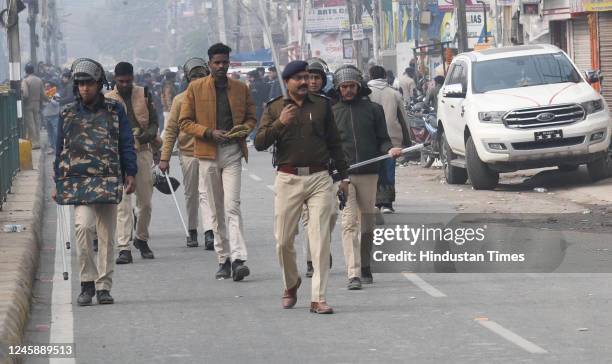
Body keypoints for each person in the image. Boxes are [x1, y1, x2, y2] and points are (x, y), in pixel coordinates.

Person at [254, 60, 350, 314]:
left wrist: (344, 177)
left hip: (320, 178)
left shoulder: (322, 106)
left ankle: (318, 297)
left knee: (320, 240)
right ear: (287, 82)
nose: (305, 82)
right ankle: (291, 283)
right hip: (288, 179)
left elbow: (335, 143)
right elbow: (259, 143)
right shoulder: (274, 108)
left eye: (307, 77)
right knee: (283, 241)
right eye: (298, 78)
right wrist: (280, 123)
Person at [52, 58, 137, 306]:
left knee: (107, 234)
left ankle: (103, 286)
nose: (84, 88)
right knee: (83, 227)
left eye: (89, 83)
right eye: (80, 84)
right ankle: (87, 282)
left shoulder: (114, 110)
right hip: (79, 182)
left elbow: (125, 142)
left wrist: (130, 172)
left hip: (108, 179)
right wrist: (57, 181)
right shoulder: (67, 113)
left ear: (99, 84)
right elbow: (60, 150)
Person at [178, 43, 256, 281]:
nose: (221, 66)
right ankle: (223, 259)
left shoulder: (241, 88)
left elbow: (252, 117)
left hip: (232, 151)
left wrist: (244, 129)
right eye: (217, 62)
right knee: (216, 209)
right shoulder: (195, 88)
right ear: (209, 63)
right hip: (207, 154)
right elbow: (184, 122)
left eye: (225, 62)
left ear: (229, 62)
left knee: (232, 206)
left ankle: (239, 259)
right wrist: (209, 132)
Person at [332, 65, 402, 289]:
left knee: (367, 225)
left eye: (352, 86)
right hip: (343, 176)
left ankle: (365, 265)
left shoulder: (374, 110)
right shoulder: (332, 113)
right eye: (344, 87)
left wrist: (390, 149)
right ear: (338, 89)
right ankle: (353, 273)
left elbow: (383, 139)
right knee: (348, 222)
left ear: (359, 86)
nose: (348, 90)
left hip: (370, 172)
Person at [106, 61, 159, 264]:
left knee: (145, 203)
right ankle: (124, 247)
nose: (125, 85)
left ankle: (141, 239)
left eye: (128, 81)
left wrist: (146, 135)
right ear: (115, 80)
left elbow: (154, 122)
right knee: (123, 204)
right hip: (118, 155)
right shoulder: (107, 99)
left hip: (142, 152)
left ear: (133, 78)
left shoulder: (144, 93)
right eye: (121, 81)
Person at [159, 58, 215, 249]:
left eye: (201, 76)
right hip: (188, 153)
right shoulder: (180, 100)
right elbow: (171, 130)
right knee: (191, 194)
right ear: (188, 79)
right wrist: (164, 158)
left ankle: (210, 232)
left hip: (209, 152)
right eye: (194, 77)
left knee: (207, 193)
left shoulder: (215, 97)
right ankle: (192, 230)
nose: (198, 80)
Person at [368, 65, 410, 214]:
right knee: (388, 170)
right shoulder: (393, 93)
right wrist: (407, 139)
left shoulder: (365, 93)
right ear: (385, 76)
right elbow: (403, 118)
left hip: (371, 139)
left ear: (370, 75)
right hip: (391, 139)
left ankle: (375, 202)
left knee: (374, 171)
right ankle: (387, 203)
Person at [21, 63, 49, 149]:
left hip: (28, 105)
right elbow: (43, 94)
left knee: (30, 124)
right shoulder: (39, 80)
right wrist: (48, 100)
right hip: (37, 104)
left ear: (26, 71)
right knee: (37, 123)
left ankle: (33, 143)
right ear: (33, 70)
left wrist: (21, 99)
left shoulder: (25, 81)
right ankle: (38, 141)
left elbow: (25, 94)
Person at [246, 69, 268, 142]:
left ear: (252, 77)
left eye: (248, 77)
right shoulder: (263, 83)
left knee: (255, 122)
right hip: (262, 105)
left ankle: (254, 138)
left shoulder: (253, 85)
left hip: (255, 106)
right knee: (260, 122)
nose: (248, 78)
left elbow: (251, 97)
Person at [42, 81, 60, 155]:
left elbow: (57, 103)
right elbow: (42, 104)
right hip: (46, 116)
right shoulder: (44, 95)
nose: (46, 87)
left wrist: (50, 99)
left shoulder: (56, 94)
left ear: (51, 87)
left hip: (54, 116)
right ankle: (52, 148)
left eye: (48, 86)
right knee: (49, 133)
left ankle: (57, 148)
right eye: (45, 86)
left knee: (56, 133)